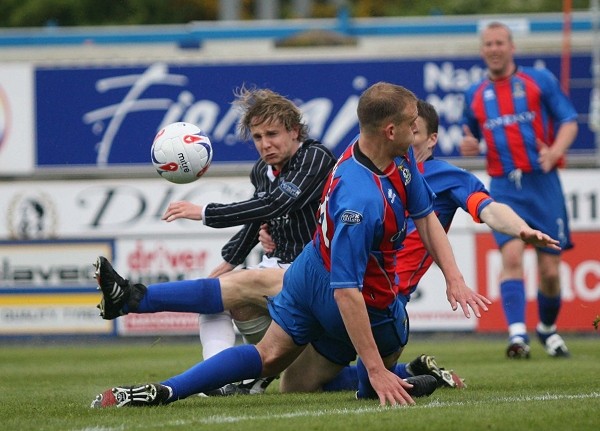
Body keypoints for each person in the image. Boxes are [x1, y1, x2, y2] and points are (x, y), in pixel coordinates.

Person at [91, 82, 490, 408]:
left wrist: (453, 278)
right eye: (410, 123)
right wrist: (373, 366)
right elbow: (348, 291)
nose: (415, 130)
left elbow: (425, 218)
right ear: (391, 130)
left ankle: (165, 386)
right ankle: (401, 372)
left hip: (306, 272)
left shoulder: (382, 155)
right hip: (359, 295)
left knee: (283, 375)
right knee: (375, 386)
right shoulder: (360, 203)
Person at [459, 21, 578, 359]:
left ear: (512, 47)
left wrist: (555, 151)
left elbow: (569, 120)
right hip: (503, 186)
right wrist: (469, 144)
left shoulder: (538, 81)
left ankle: (547, 330)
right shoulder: (475, 94)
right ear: (482, 51)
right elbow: (471, 135)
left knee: (550, 272)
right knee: (511, 255)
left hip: (542, 185)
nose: (494, 49)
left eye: (500, 42)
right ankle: (517, 336)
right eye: (488, 44)